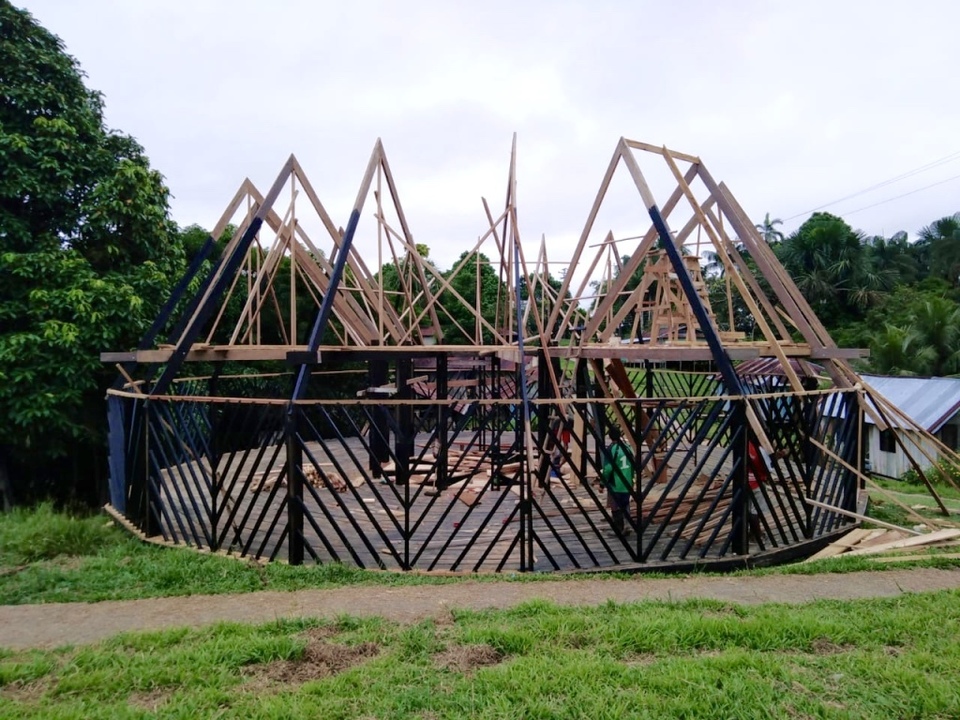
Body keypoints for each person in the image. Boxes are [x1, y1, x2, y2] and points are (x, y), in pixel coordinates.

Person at [602, 427, 635, 538]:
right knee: (626, 504)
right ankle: (627, 525)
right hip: (628, 481)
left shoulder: (611, 449)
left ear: (610, 436)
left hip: (616, 483)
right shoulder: (627, 447)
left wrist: (603, 482)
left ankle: (618, 529)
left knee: (615, 506)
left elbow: (608, 469)